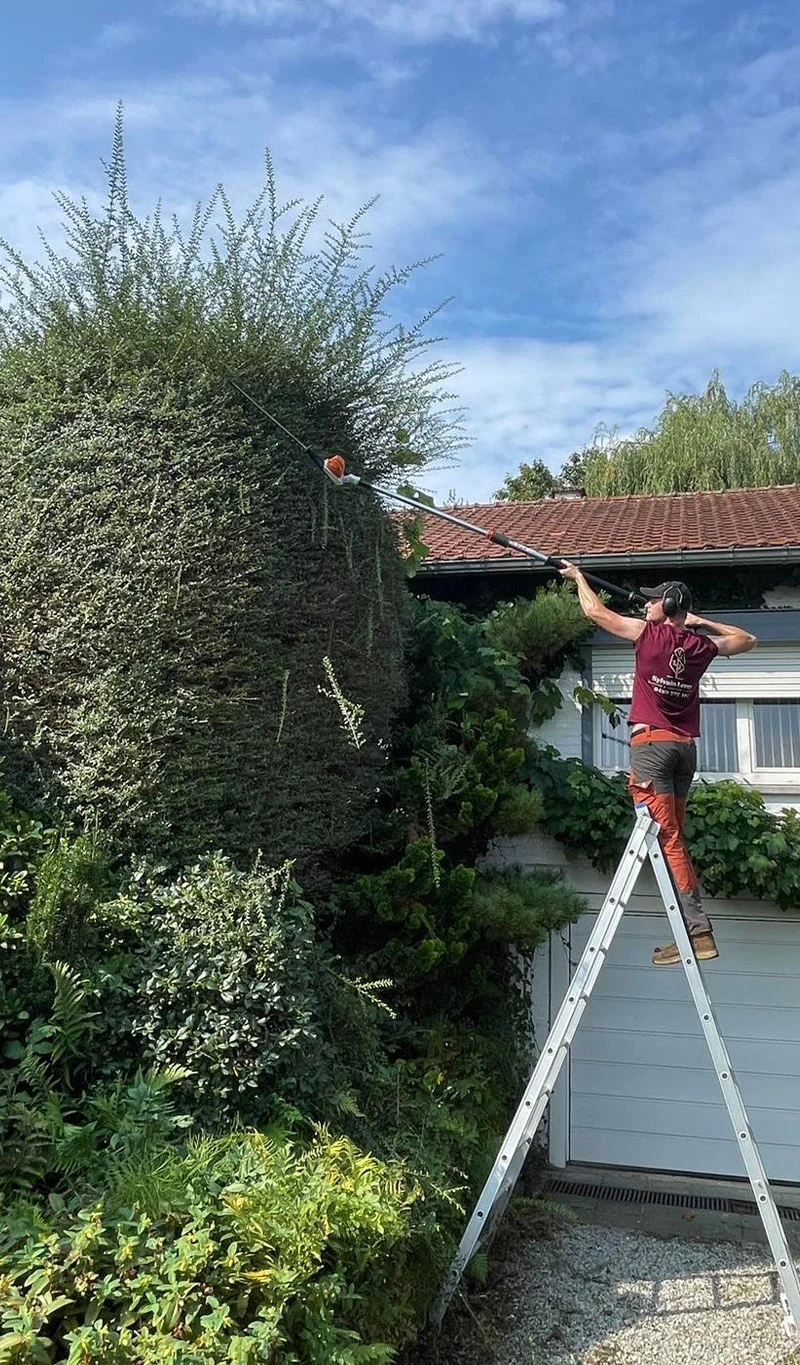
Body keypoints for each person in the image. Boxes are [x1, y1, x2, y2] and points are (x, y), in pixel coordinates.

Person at [559, 566, 757, 965]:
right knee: (674, 840)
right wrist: (698, 622)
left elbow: (596, 614)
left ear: (667, 606)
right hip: (685, 751)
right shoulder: (700, 647)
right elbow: (747, 639)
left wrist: (579, 578)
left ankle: (699, 933)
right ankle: (690, 933)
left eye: (653, 599)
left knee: (667, 840)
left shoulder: (648, 634)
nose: (647, 603)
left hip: (651, 747)